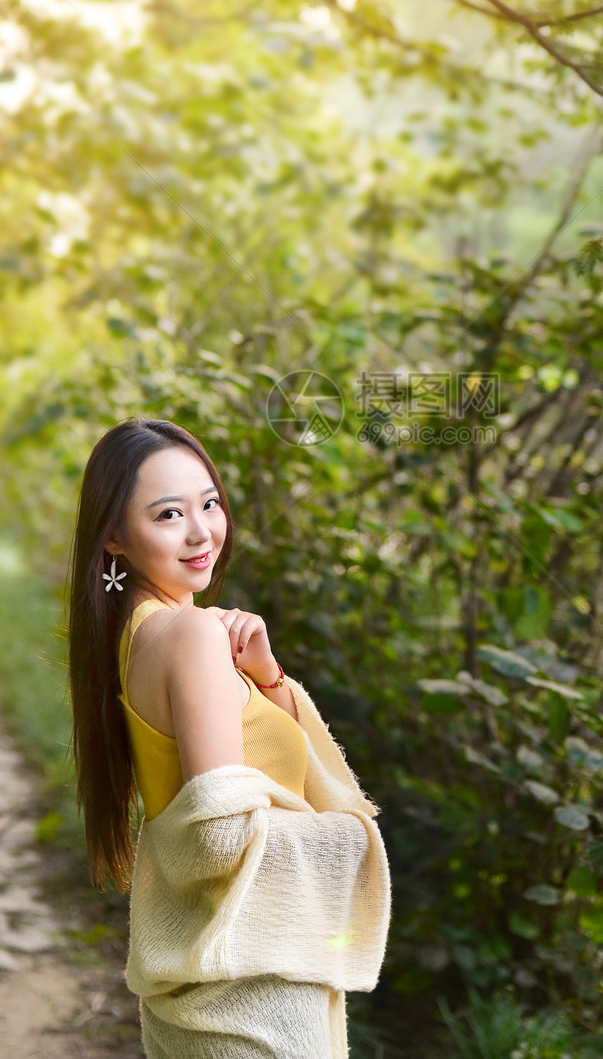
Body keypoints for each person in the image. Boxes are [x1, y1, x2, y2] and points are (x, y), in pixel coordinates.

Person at [67, 417, 390, 1058]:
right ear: (114, 535)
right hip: (250, 1003)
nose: (201, 532)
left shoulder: (145, 633)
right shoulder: (190, 636)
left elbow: (244, 780)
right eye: (167, 514)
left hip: (215, 987)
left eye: (209, 503)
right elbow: (218, 839)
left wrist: (268, 681)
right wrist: (354, 842)